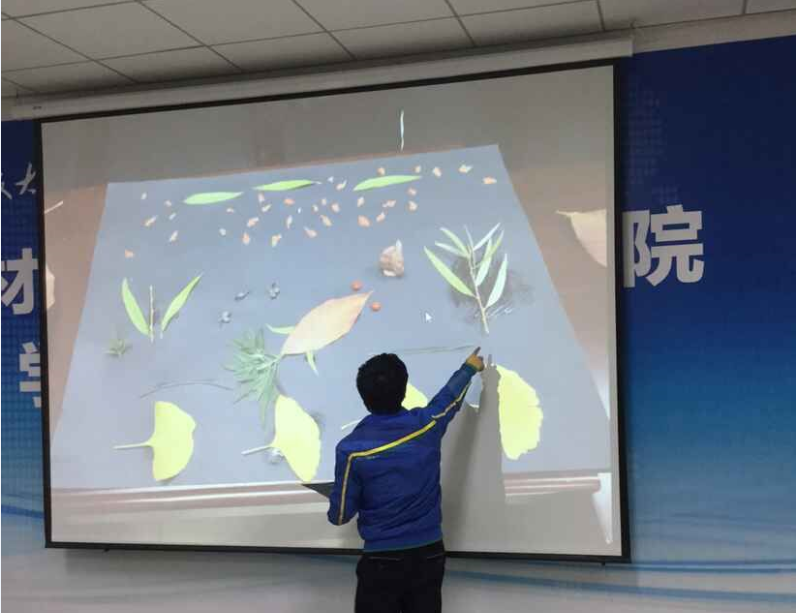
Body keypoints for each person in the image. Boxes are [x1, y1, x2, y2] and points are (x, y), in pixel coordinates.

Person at [328, 348, 485, 613]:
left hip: (381, 561)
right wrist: (469, 367)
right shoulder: (426, 425)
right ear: (404, 389)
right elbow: (449, 398)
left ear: (363, 396)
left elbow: (340, 515)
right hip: (429, 554)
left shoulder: (351, 449)